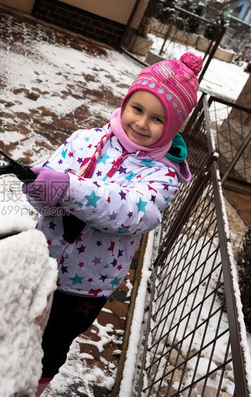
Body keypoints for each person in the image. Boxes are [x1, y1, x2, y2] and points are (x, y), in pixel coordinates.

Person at [23, 52, 202, 396]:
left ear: (173, 127)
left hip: (85, 284)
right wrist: (39, 188)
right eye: (137, 109)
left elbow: (132, 211)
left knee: (51, 347)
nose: (141, 123)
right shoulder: (84, 141)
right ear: (126, 102)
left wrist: (70, 189)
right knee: (18, 324)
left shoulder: (162, 175)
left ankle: (30, 389)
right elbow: (45, 187)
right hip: (40, 258)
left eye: (157, 119)